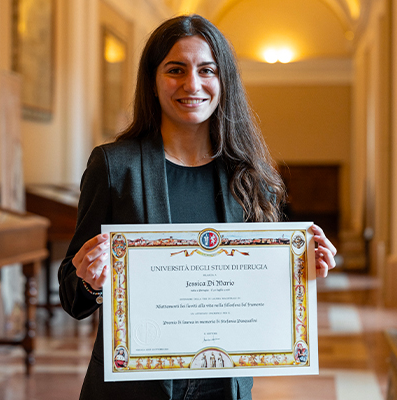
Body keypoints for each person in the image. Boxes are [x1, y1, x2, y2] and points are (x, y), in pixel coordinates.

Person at [58, 14, 336, 400]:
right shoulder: (113, 167)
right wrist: (89, 279)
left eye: (207, 70)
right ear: (153, 82)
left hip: (225, 388)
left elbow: (262, 293)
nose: (192, 84)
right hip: (134, 389)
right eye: (175, 70)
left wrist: (301, 269)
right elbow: (72, 297)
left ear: (224, 83)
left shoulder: (251, 176)